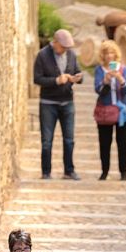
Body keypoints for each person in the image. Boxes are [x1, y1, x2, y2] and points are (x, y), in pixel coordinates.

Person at [34, 29, 83, 181]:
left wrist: (77, 78)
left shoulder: (72, 55)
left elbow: (78, 73)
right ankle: (46, 172)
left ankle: (69, 171)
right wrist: (56, 80)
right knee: (47, 140)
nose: (65, 50)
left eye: (67, 48)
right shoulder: (42, 55)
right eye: (63, 47)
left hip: (67, 102)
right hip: (48, 103)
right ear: (55, 43)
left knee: (69, 139)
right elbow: (37, 79)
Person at [94, 40, 126, 181]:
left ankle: (123, 172)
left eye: (111, 52)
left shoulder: (123, 69)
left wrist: (120, 79)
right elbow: (99, 92)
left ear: (115, 54)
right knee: (104, 143)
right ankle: (104, 171)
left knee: (123, 142)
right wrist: (105, 81)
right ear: (103, 56)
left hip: (124, 112)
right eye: (106, 53)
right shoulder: (99, 70)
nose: (109, 56)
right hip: (105, 111)